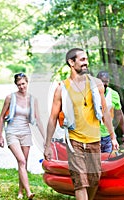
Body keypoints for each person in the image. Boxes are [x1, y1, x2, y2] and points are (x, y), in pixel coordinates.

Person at [44, 48, 119, 200]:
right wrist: (47, 145)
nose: (86, 63)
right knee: (80, 183)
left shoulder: (97, 84)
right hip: (74, 141)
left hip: (94, 141)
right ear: (71, 63)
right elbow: (53, 118)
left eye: (86, 59)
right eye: (82, 60)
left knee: (94, 180)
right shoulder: (62, 88)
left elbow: (105, 113)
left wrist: (113, 137)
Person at [0, 73, 45, 200]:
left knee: (23, 163)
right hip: (12, 132)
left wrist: (45, 138)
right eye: (19, 85)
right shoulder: (10, 97)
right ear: (16, 85)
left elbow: (38, 120)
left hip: (26, 132)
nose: (21, 87)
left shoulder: (32, 99)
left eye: (23, 84)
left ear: (27, 83)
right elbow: (2, 117)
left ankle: (20, 191)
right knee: (22, 161)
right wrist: (0, 136)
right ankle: (29, 192)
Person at [96, 71, 124, 152]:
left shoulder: (114, 94)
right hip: (93, 137)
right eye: (101, 82)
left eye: (105, 82)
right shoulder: (90, 94)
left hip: (108, 137)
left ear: (109, 82)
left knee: (108, 161)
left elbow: (119, 115)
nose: (103, 84)